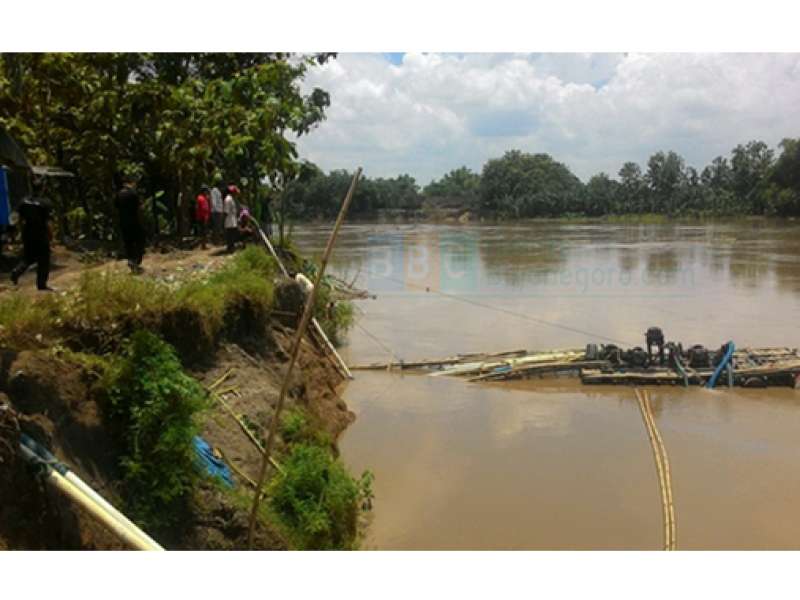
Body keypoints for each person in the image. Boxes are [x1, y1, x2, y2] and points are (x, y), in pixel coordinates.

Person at [10, 178, 54, 291]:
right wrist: (51, 235)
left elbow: (17, 218)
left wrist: (19, 232)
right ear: (43, 188)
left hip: (27, 232)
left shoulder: (23, 201)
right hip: (40, 233)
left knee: (28, 257)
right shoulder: (45, 203)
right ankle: (41, 285)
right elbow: (48, 222)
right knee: (44, 259)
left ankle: (16, 271)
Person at [115, 177, 146, 273]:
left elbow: (116, 208)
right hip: (134, 221)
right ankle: (136, 261)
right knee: (139, 241)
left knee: (128, 242)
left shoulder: (119, 194)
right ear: (131, 183)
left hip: (123, 222)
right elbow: (139, 208)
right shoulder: (133, 194)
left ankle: (130, 259)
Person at [223, 184, 239, 253]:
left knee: (232, 235)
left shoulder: (231, 199)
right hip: (229, 220)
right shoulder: (228, 199)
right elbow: (226, 211)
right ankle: (230, 248)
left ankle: (231, 248)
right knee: (230, 235)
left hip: (232, 220)